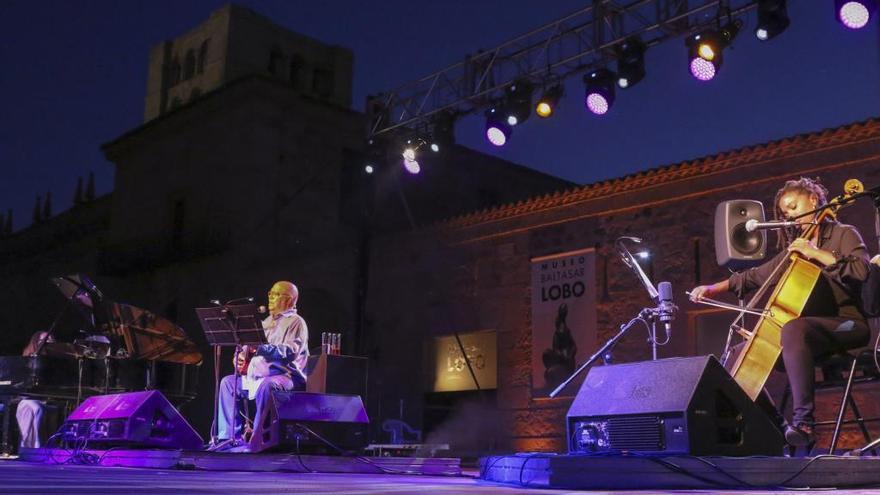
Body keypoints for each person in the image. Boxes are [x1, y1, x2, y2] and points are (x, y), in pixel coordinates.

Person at [690, 177, 871, 447]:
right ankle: (779, 429)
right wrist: (713, 287)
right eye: (785, 213)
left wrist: (818, 254)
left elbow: (862, 271)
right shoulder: (798, 247)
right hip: (808, 338)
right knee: (742, 353)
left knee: (794, 328)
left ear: (813, 200)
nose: (791, 216)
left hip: (849, 326)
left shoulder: (845, 233)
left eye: (794, 207)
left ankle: (805, 424)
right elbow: (756, 276)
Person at [216, 281, 309, 446]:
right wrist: (239, 359)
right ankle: (229, 439)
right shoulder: (264, 323)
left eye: (277, 294)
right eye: (270, 294)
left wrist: (261, 348)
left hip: (285, 376)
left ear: (291, 300)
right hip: (257, 376)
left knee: (268, 385)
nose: (271, 298)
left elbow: (289, 352)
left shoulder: (296, 322)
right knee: (228, 383)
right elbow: (246, 350)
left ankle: (259, 440)